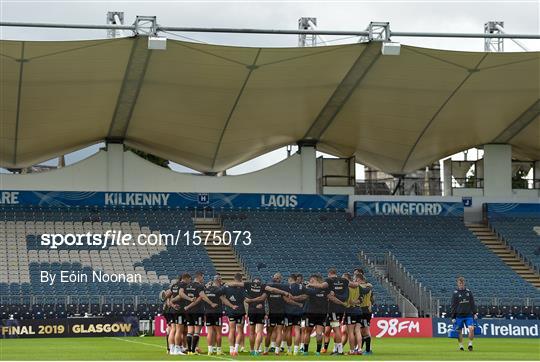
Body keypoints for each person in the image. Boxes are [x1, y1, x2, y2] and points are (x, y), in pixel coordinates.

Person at [308, 268, 349, 355]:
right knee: (335, 328)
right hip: (341, 309)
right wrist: (343, 303)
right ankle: (336, 349)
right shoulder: (343, 281)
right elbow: (346, 294)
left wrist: (310, 284)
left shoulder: (329, 280)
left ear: (329, 274)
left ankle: (340, 351)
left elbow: (322, 286)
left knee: (336, 329)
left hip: (333, 308)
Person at [183, 271, 217, 355]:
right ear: (200, 276)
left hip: (188, 312)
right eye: (203, 277)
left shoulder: (187, 286)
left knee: (190, 331)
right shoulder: (199, 286)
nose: (203, 279)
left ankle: (189, 350)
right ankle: (194, 350)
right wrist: (211, 303)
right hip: (197, 311)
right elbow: (202, 296)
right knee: (197, 331)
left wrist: (187, 306)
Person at [204, 274, 236, 356]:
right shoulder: (218, 290)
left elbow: (202, 298)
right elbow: (224, 300)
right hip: (217, 312)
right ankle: (218, 350)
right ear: (218, 280)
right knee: (218, 332)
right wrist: (232, 306)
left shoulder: (206, 290)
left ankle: (210, 350)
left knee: (210, 332)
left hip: (207, 312)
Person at [220, 273, 246, 356]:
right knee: (239, 330)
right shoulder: (243, 287)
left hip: (230, 311)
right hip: (240, 311)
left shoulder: (227, 286)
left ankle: (231, 349)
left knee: (231, 330)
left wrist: (230, 305)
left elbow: (220, 295)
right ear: (241, 279)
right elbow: (247, 298)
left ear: (234, 278)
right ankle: (236, 349)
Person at [168, 273, 193, 355]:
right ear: (186, 278)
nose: (190, 281)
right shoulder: (183, 285)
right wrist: (190, 299)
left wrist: (172, 304)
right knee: (179, 330)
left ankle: (171, 349)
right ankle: (177, 349)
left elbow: (169, 298)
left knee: (173, 330)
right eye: (190, 279)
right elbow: (181, 294)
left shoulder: (174, 285)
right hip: (180, 310)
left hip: (173, 310)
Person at [451, 276, 477, 351]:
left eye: (462, 283)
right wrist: (453, 317)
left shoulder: (468, 292)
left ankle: (470, 344)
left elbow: (472, 303)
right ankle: (461, 346)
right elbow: (453, 305)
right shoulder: (455, 293)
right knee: (459, 331)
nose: (461, 284)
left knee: (471, 329)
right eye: (460, 283)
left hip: (468, 315)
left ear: (464, 283)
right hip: (459, 316)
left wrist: (475, 313)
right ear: (458, 284)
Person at [343, 272, 363, 355]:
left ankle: (352, 350)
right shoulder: (358, 287)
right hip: (358, 310)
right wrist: (356, 302)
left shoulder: (347, 287)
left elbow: (345, 299)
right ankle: (360, 349)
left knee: (350, 332)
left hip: (350, 310)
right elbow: (361, 298)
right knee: (357, 331)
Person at [357, 270, 374, 355]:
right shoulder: (369, 286)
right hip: (366, 310)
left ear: (359, 279)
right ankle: (361, 349)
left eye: (355, 279)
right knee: (361, 330)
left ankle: (368, 350)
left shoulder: (361, 287)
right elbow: (372, 299)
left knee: (365, 331)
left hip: (363, 310)